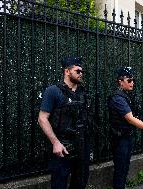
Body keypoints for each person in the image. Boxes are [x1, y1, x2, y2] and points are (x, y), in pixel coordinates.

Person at [38, 56, 90, 189]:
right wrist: (55, 142)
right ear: (67, 71)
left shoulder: (82, 93)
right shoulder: (53, 91)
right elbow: (42, 119)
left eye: (82, 71)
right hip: (63, 147)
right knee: (59, 185)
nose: (81, 74)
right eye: (77, 71)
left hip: (81, 147)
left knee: (80, 184)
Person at [108, 66, 143, 189]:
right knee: (121, 168)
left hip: (127, 137)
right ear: (120, 81)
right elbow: (130, 118)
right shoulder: (118, 98)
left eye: (133, 80)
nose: (132, 83)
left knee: (125, 166)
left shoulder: (127, 96)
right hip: (120, 139)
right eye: (129, 80)